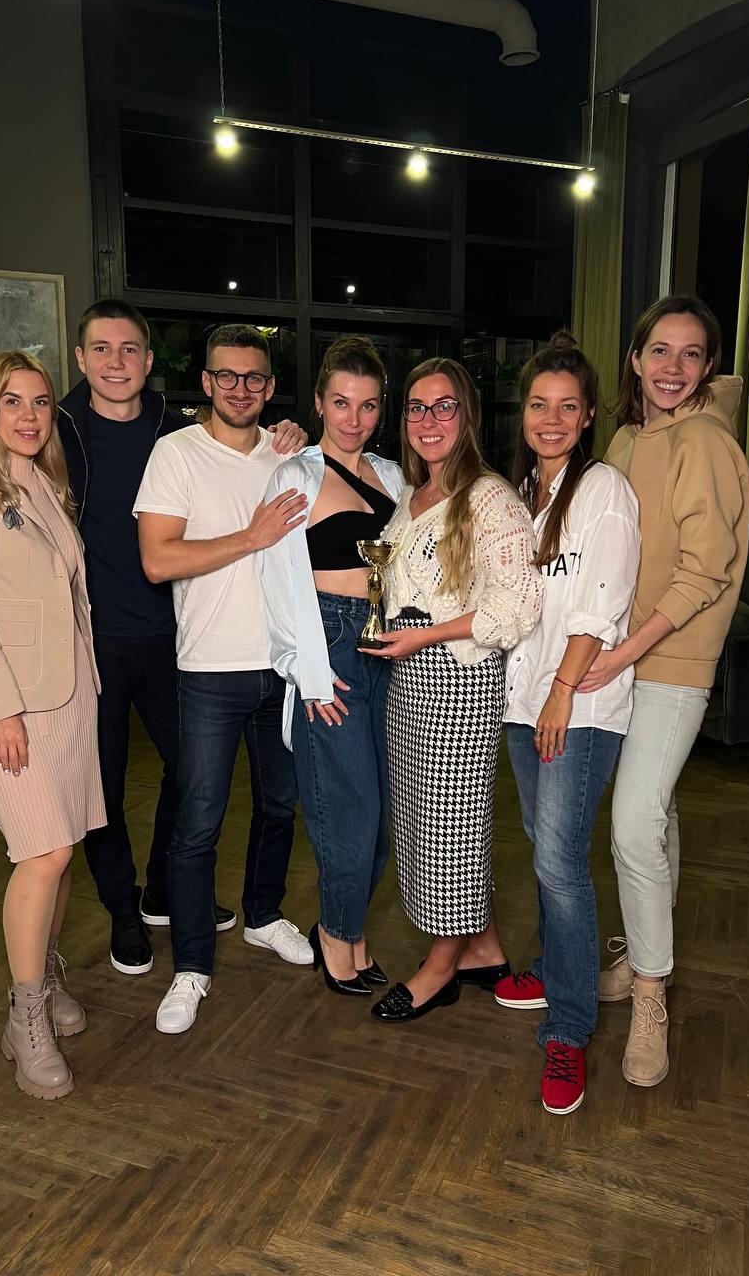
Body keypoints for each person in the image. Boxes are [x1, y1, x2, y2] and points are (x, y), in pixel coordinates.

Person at [0, 300, 304, 978]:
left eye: (129, 350)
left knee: (191, 774)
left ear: (149, 361)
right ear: (81, 358)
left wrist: (283, 433)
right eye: (101, 349)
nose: (115, 362)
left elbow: (239, 445)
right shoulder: (52, 428)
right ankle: (122, 908)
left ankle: (161, 891)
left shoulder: (176, 429)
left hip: (171, 636)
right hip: (88, 644)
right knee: (102, 790)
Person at [578, 295, 749, 1088]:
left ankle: (651, 1000)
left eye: (690, 354)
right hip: (625, 656)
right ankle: (649, 962)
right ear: (636, 359)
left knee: (633, 824)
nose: (672, 368)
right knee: (659, 812)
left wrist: (625, 651)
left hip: (671, 662)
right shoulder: (626, 438)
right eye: (659, 351)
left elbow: (705, 570)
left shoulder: (705, 441)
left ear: (708, 366)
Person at [0, 351, 105, 1100]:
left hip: (68, 699)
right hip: (7, 706)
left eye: (40, 402)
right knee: (42, 853)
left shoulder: (44, 481)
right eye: (12, 401)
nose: (29, 416)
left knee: (62, 852)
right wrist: (1, 709)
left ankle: (44, 976)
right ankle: (24, 1018)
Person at [135, 323, 314, 1036]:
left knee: (279, 806)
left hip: (283, 666)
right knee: (197, 823)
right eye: (227, 376)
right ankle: (192, 966)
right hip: (208, 668)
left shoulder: (288, 452)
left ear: (270, 387)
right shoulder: (175, 454)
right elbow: (158, 560)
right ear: (206, 382)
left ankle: (264, 915)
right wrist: (250, 536)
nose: (241, 388)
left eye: (254, 377)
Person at [366, 358, 543, 1023]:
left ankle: (439, 969)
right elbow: (395, 582)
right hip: (408, 679)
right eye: (417, 407)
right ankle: (484, 949)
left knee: (451, 829)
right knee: (429, 823)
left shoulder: (489, 498)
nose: (429, 419)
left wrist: (425, 635)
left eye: (445, 406)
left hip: (459, 676)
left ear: (467, 417)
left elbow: (519, 603)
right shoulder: (412, 494)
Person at [491, 332, 640, 1115]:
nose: (551, 419)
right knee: (543, 849)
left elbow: (600, 605)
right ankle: (554, 970)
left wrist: (560, 692)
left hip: (576, 709)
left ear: (588, 417)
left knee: (558, 862)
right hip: (525, 704)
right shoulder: (525, 492)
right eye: (539, 405)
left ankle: (570, 1028)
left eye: (567, 407)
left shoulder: (604, 490)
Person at [258, 336, 406, 996]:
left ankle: (344, 928)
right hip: (329, 645)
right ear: (319, 402)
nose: (354, 418)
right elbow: (276, 580)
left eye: (368, 405)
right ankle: (341, 937)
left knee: (384, 814)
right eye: (341, 402)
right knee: (349, 810)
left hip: (389, 650)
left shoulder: (394, 476)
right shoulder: (295, 476)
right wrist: (307, 673)